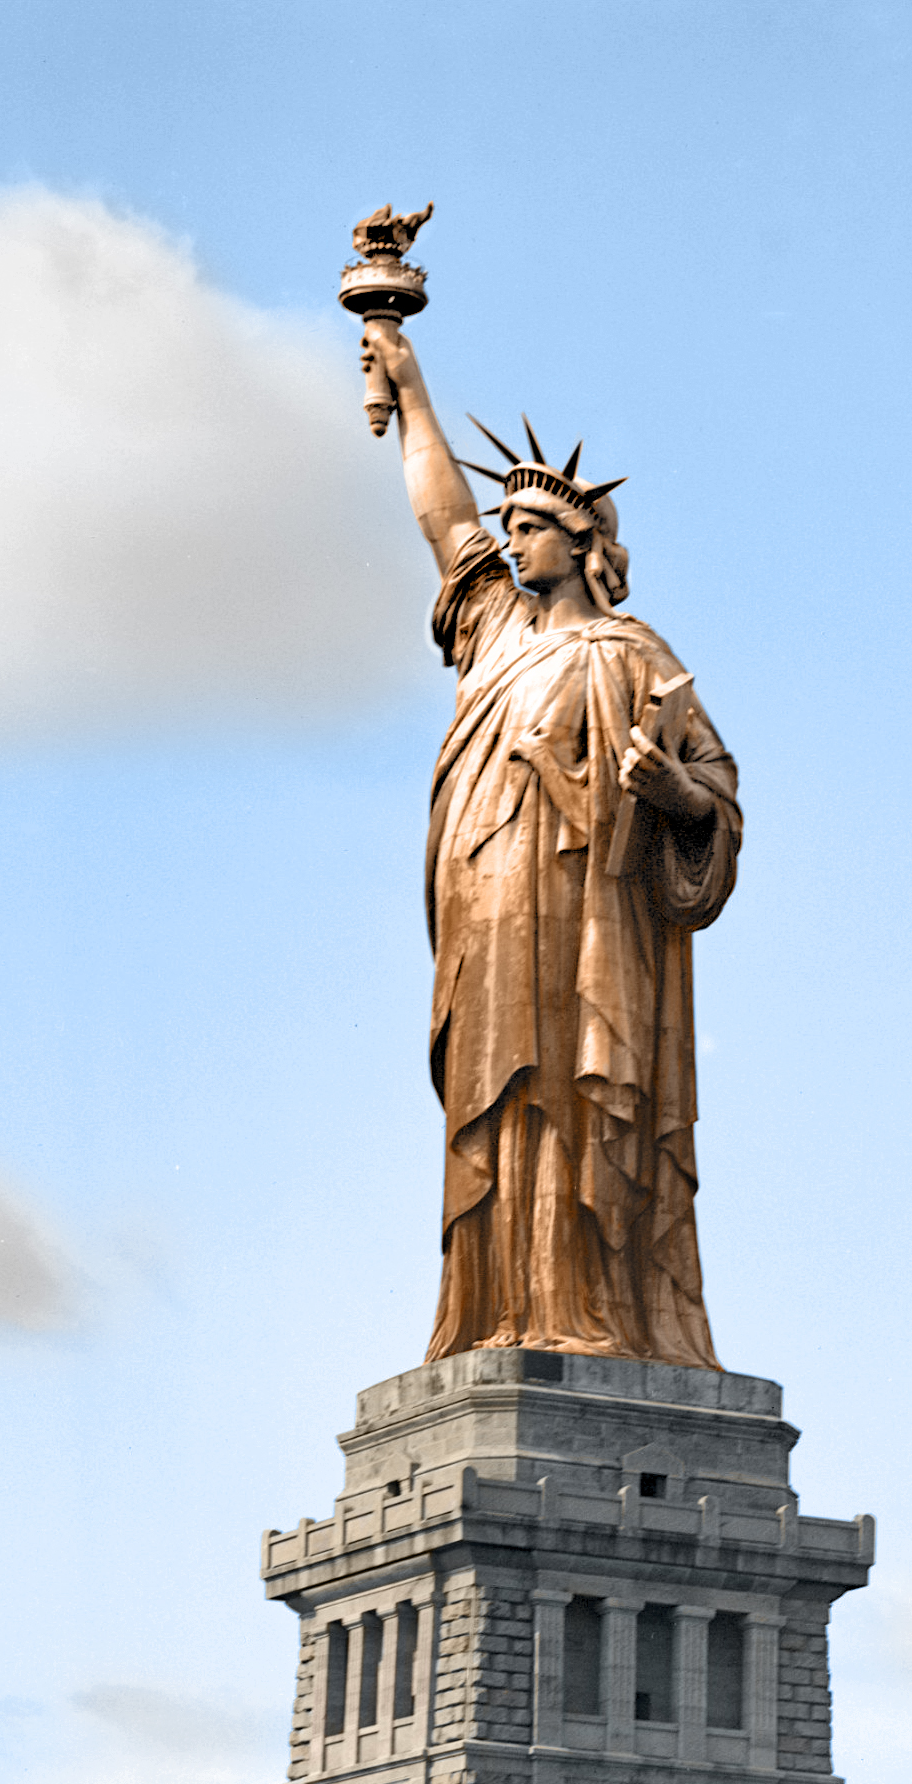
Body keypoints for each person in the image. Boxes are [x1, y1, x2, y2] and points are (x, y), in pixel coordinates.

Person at [361, 321, 741, 1370]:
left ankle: (595, 1312)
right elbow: (443, 520)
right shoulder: (489, 631)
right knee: (497, 1109)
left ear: (580, 543)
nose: (513, 539)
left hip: (589, 927)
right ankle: (494, 1314)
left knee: (579, 1105)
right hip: (487, 912)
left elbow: (717, 787)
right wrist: (408, 382)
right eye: (512, 524)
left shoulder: (634, 655)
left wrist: (671, 790)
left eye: (531, 526)